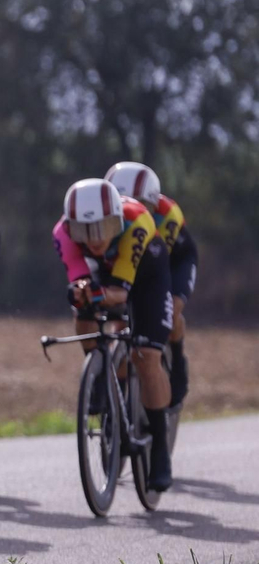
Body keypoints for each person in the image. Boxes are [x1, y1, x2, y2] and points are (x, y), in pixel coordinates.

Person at [54, 177, 175, 492]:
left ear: (117, 220)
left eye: (103, 227)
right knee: (82, 310)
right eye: (84, 230)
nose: (94, 239)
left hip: (147, 272)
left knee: (147, 356)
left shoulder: (137, 221)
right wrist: (82, 292)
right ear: (71, 227)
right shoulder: (63, 233)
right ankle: (99, 378)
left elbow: (120, 294)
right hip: (105, 270)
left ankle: (160, 449)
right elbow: (80, 280)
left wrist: (96, 293)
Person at [105, 161, 197, 409]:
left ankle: (178, 361)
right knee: (120, 323)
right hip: (135, 260)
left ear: (153, 205)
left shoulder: (168, 215)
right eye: (122, 202)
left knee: (171, 307)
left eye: (140, 204)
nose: (131, 209)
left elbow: (156, 270)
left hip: (173, 262)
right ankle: (120, 400)